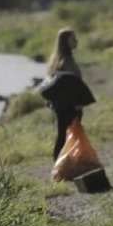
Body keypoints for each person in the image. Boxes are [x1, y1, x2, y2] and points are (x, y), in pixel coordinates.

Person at [45, 28, 85, 160]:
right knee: (65, 135)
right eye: (73, 39)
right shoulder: (64, 63)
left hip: (64, 106)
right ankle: (60, 164)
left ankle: (67, 163)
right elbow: (67, 87)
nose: (76, 41)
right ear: (65, 42)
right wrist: (76, 104)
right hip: (69, 106)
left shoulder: (60, 60)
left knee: (66, 135)